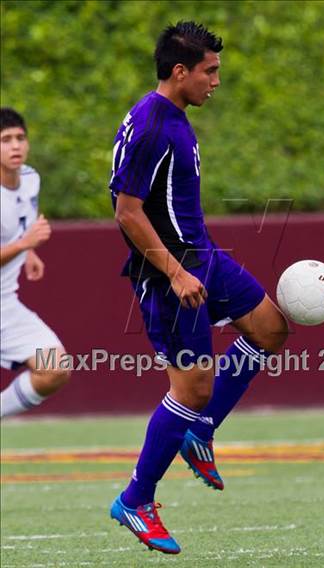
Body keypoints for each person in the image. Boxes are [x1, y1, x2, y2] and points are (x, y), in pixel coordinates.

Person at [109, 21, 288, 555]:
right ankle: (136, 499)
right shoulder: (151, 124)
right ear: (180, 71)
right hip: (171, 274)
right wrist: (175, 271)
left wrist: (196, 262)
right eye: (209, 71)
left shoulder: (173, 116)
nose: (216, 81)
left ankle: (201, 430)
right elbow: (127, 211)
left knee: (272, 329)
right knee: (191, 389)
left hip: (203, 256)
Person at [0, 108, 70, 418]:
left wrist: (28, 252)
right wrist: (24, 244)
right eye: (5, 140)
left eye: (20, 138)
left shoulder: (29, 178)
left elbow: (21, 222)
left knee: (55, 367)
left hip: (5, 307)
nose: (15, 146)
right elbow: (21, 237)